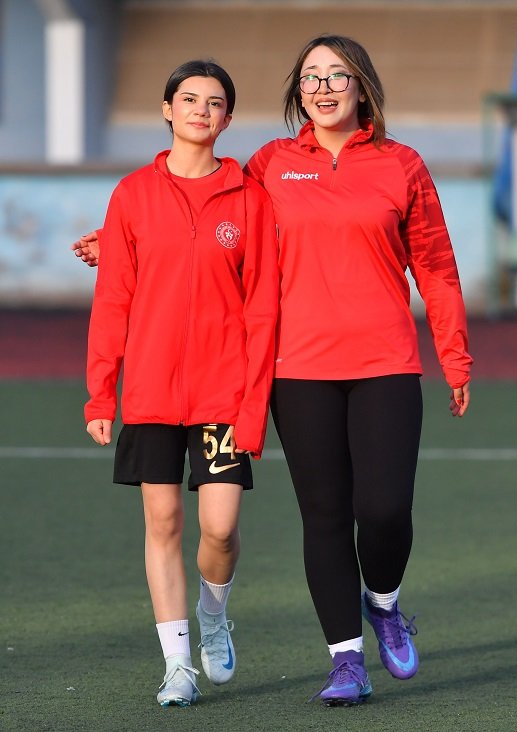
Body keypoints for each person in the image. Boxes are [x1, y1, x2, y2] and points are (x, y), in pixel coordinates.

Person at [74, 34, 472, 708]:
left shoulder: (401, 164)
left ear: (361, 85)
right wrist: (114, 240)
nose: (324, 87)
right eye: (311, 76)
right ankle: (345, 661)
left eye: (337, 75)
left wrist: (454, 354)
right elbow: (200, 205)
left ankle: (383, 602)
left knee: (383, 511)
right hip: (297, 367)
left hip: (384, 360)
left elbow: (434, 265)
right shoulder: (270, 165)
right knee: (324, 515)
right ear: (297, 92)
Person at [83, 59, 279, 708]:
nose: (200, 110)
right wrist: (100, 390)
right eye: (189, 99)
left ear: (228, 118)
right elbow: (113, 299)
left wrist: (254, 402)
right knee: (163, 521)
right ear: (167, 109)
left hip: (224, 390)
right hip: (151, 390)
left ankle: (214, 615)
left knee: (219, 529)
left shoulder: (249, 198)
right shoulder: (132, 195)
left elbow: (262, 307)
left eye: (214, 102)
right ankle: (176, 665)